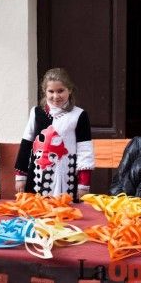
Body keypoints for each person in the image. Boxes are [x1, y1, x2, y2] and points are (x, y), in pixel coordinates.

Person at [14, 68, 94, 201]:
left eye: (60, 91)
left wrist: (83, 184)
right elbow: (26, 144)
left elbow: (85, 150)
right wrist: (20, 176)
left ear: (70, 90)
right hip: (37, 177)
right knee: (37, 213)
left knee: (65, 215)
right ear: (45, 91)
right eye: (51, 91)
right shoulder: (36, 112)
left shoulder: (79, 115)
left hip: (66, 177)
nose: (55, 96)